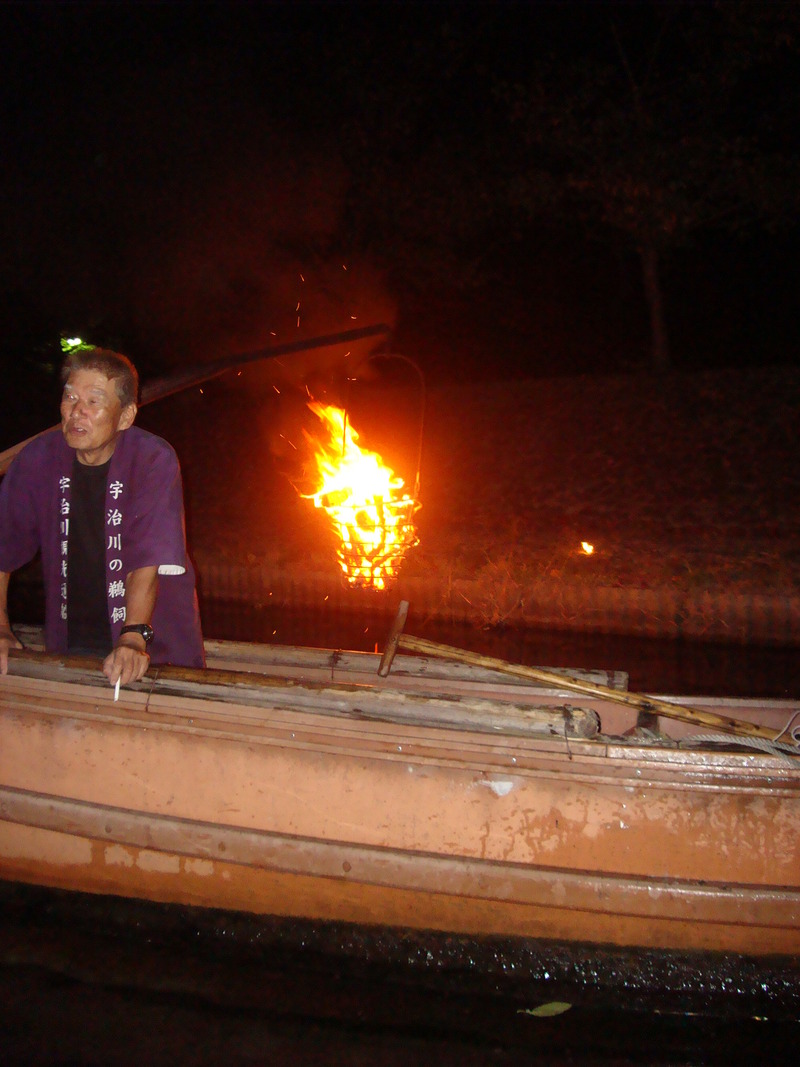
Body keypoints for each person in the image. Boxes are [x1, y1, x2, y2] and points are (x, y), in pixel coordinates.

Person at [0, 346, 205, 688]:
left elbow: (147, 561)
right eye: (70, 397)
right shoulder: (38, 459)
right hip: (70, 644)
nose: (77, 411)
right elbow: (3, 544)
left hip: (154, 651)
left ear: (125, 416)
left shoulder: (152, 459)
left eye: (94, 401)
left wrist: (132, 637)